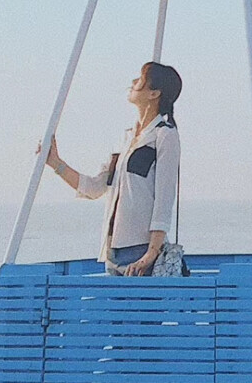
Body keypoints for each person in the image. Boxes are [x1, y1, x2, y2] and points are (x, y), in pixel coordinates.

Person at [46, 61, 182, 276]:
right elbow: (94, 188)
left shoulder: (164, 135)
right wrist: (56, 163)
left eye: (140, 80)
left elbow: (164, 199)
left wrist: (151, 254)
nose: (133, 82)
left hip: (141, 250)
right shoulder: (126, 138)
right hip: (112, 251)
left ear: (154, 93)